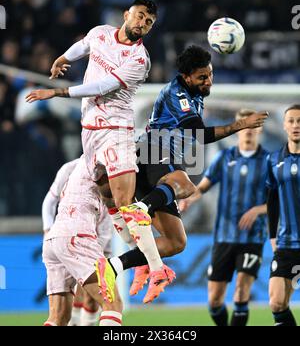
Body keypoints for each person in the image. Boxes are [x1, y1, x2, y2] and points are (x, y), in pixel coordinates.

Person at [26, 0, 174, 304]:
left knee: (125, 202)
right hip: (90, 132)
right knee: (109, 200)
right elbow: (83, 46)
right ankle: (145, 260)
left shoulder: (139, 59)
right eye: (140, 16)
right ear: (126, 15)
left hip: (116, 133)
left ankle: (158, 268)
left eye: (149, 22)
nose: (143, 23)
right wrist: (61, 58)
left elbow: (103, 86)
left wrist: (57, 92)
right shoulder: (101, 33)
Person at [101, 46, 269, 298]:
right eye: (202, 77)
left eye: (210, 74)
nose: (208, 81)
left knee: (176, 242)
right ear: (187, 76)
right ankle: (142, 209)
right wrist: (241, 124)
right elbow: (200, 135)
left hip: (159, 160)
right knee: (186, 185)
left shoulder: (193, 93)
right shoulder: (177, 94)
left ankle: (113, 265)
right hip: (152, 149)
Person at [180, 109, 269, 326]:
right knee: (215, 300)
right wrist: (189, 199)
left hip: (253, 237)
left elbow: (279, 199)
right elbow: (203, 186)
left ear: (260, 129)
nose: (248, 130)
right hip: (224, 236)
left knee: (241, 293)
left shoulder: (269, 161)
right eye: (244, 125)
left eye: (253, 126)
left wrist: (258, 210)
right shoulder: (224, 157)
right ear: (237, 129)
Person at [43, 155, 122, 326]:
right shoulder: (107, 168)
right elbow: (49, 201)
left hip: (59, 237)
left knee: (59, 317)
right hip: (79, 237)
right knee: (112, 303)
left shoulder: (79, 168)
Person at [267, 104, 300, 327]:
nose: (296, 125)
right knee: (277, 302)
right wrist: (272, 236)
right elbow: (272, 200)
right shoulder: (274, 160)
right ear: (284, 125)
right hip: (286, 242)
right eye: (291, 121)